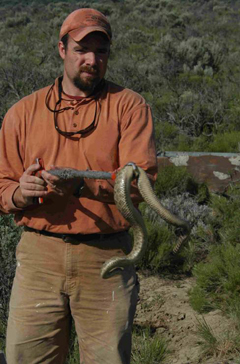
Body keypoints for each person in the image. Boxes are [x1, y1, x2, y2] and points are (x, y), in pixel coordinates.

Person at [0, 8, 157, 364]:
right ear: (61, 49)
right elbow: (2, 186)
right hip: (39, 258)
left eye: (101, 51)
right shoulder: (22, 113)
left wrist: (80, 188)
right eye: (81, 50)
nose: (92, 60)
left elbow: (138, 184)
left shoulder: (130, 107)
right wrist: (22, 193)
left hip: (107, 257)